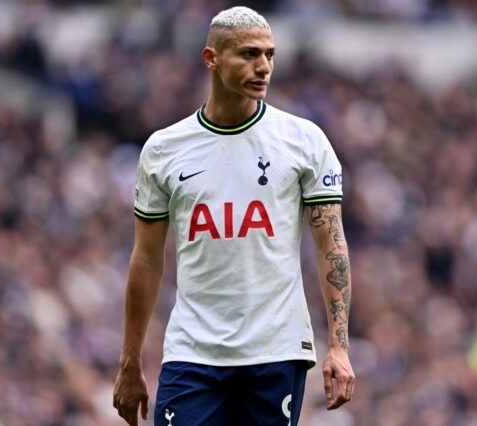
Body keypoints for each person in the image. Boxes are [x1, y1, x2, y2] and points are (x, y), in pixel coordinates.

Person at [112, 6, 355, 425]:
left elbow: (331, 247)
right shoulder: (163, 150)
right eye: (248, 54)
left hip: (276, 351)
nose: (263, 67)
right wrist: (129, 361)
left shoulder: (303, 141)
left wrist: (339, 346)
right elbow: (147, 259)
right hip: (193, 353)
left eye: (269, 55)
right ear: (211, 58)